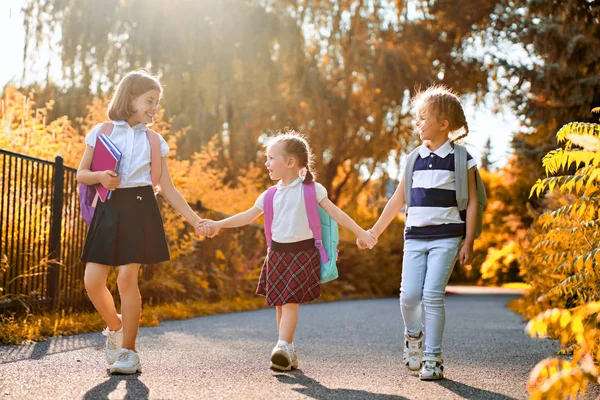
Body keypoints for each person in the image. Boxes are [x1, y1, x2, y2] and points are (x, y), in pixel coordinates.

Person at [197, 131, 377, 371]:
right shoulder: (270, 194)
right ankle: (287, 349)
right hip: (277, 254)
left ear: (290, 162)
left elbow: (337, 214)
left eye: (271, 158)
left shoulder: (312, 190)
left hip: (302, 254)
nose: (266, 163)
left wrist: (360, 232)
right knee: (280, 304)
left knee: (290, 301)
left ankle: (281, 345)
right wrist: (219, 224)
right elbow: (246, 217)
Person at [77, 70, 204, 374]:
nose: (154, 108)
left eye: (157, 103)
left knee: (126, 279)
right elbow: (82, 174)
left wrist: (196, 221)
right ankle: (116, 327)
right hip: (109, 208)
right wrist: (99, 177)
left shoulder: (154, 140)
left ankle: (129, 352)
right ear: (129, 98)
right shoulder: (102, 131)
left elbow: (168, 189)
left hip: (139, 207)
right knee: (92, 281)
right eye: (149, 101)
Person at [360, 85, 478, 380]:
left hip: (448, 236)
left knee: (432, 295)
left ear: (443, 124)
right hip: (414, 236)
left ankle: (433, 357)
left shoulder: (461, 159)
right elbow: (398, 199)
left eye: (423, 117)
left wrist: (469, 241)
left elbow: (474, 201)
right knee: (409, 296)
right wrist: (374, 230)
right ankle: (414, 337)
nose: (418, 122)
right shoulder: (413, 159)